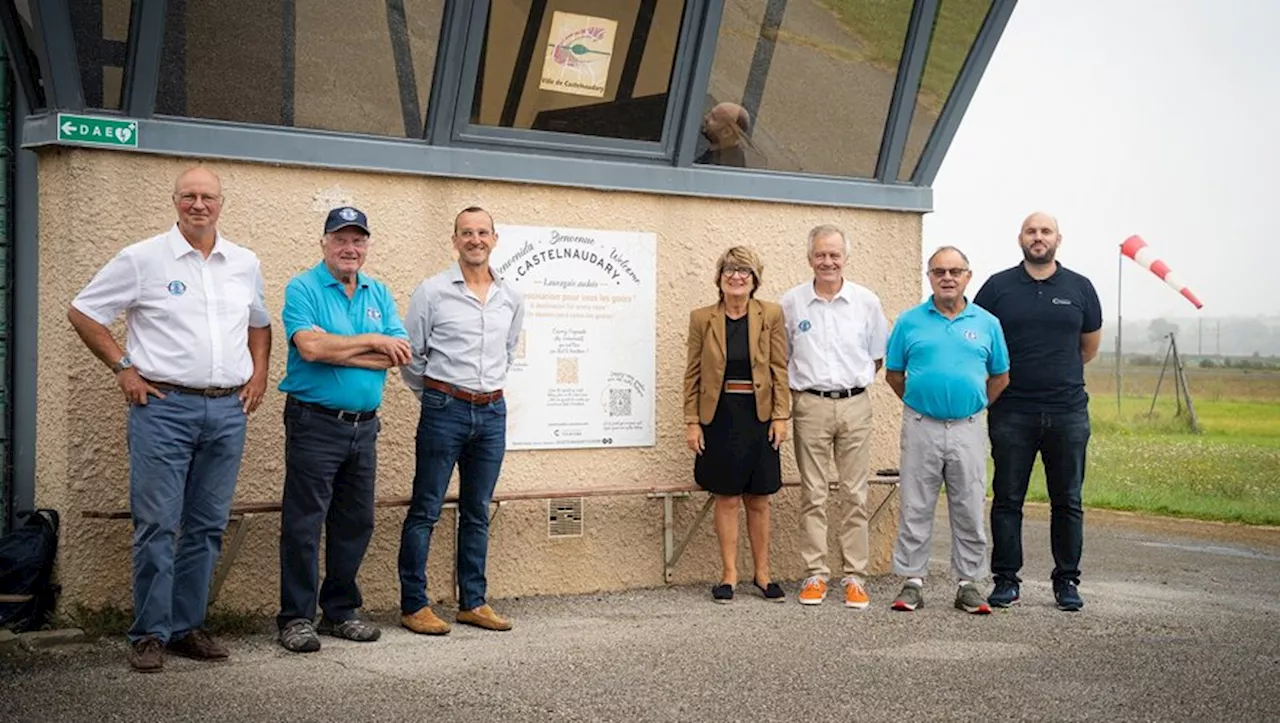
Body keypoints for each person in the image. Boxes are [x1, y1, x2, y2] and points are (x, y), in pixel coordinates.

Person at [67, 167, 271, 672]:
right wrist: (123, 369)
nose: (198, 204)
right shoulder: (142, 258)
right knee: (157, 524)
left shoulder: (244, 262)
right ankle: (149, 634)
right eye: (189, 196)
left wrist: (260, 375)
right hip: (163, 409)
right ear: (175, 201)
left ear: (222, 203)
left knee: (206, 525)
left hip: (227, 410)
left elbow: (260, 324)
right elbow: (84, 312)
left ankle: (186, 628)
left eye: (208, 197)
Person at [275, 207, 412, 652]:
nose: (349, 248)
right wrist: (373, 341)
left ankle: (339, 611)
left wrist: (342, 348)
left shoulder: (380, 292)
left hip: (364, 428)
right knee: (304, 524)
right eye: (340, 239)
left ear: (366, 245)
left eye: (358, 240)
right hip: (314, 423)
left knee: (356, 521)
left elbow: (398, 355)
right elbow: (310, 348)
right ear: (324, 244)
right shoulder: (303, 287)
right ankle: (296, 617)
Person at [397, 206, 525, 634]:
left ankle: (473, 601)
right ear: (454, 241)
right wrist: (436, 394)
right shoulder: (432, 292)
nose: (475, 240)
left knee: (476, 510)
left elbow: (508, 350)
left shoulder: (511, 295)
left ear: (494, 238)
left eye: (482, 232)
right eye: (466, 233)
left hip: (492, 411)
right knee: (426, 509)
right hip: (444, 409)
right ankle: (414, 604)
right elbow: (412, 356)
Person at [974, 212, 1102, 612]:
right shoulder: (998, 288)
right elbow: (979, 339)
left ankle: (1066, 582)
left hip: (1067, 412)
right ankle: (1006, 581)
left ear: (1058, 239)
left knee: (1068, 500)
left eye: (1045, 231)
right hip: (1012, 411)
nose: (1038, 237)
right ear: (1020, 238)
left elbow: (1088, 348)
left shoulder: (1080, 288)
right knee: (1008, 499)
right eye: (1032, 231)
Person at [884, 246, 1009, 615]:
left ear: (968, 276)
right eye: (939, 272)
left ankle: (969, 584)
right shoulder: (909, 322)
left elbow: (1001, 376)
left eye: (955, 271)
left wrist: (973, 404)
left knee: (969, 504)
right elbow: (893, 373)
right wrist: (923, 400)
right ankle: (912, 582)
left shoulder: (987, 323)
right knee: (916, 503)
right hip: (922, 424)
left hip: (969, 426)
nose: (947, 278)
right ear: (930, 277)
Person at [779, 225, 888, 608]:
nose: (828, 261)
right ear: (810, 258)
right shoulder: (791, 303)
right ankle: (815, 574)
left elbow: (876, 356)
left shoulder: (866, 302)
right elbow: (784, 356)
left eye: (834, 255)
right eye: (821, 255)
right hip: (810, 405)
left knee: (855, 493)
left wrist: (848, 388)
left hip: (856, 404)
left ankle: (855, 578)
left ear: (845, 258)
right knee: (814, 492)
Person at [684, 246, 790, 604]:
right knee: (726, 497)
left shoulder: (771, 314)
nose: (736, 276)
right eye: (730, 269)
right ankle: (729, 575)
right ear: (719, 276)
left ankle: (763, 574)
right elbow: (693, 374)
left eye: (744, 270)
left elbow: (779, 367)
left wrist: (780, 415)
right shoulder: (702, 318)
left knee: (759, 498)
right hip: (720, 416)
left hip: (759, 417)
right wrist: (692, 422)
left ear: (755, 278)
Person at [695, 101, 751, 167]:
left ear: (726, 132)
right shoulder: (733, 155)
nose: (706, 117)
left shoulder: (714, 167)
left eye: (713, 118)